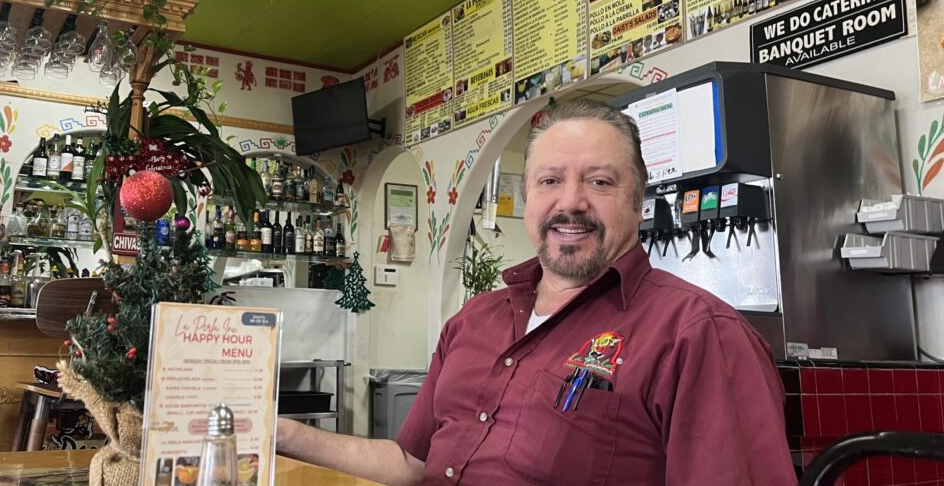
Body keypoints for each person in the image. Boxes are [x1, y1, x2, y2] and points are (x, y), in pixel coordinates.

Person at [276, 99, 795, 485]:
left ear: (639, 203)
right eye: (550, 181)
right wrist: (278, 431)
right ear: (527, 202)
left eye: (600, 182)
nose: (571, 203)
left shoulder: (698, 334)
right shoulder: (474, 320)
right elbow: (410, 463)